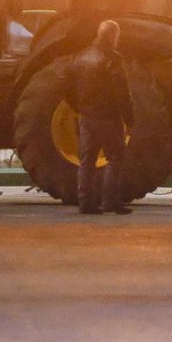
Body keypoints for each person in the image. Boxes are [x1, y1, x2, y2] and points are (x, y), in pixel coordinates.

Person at [69, 20, 135, 214]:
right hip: (107, 117)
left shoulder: (80, 56)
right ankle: (110, 202)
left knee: (87, 161)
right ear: (113, 36)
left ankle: (85, 203)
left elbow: (68, 87)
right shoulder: (112, 59)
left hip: (86, 117)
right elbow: (122, 92)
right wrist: (129, 119)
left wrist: (80, 108)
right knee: (115, 157)